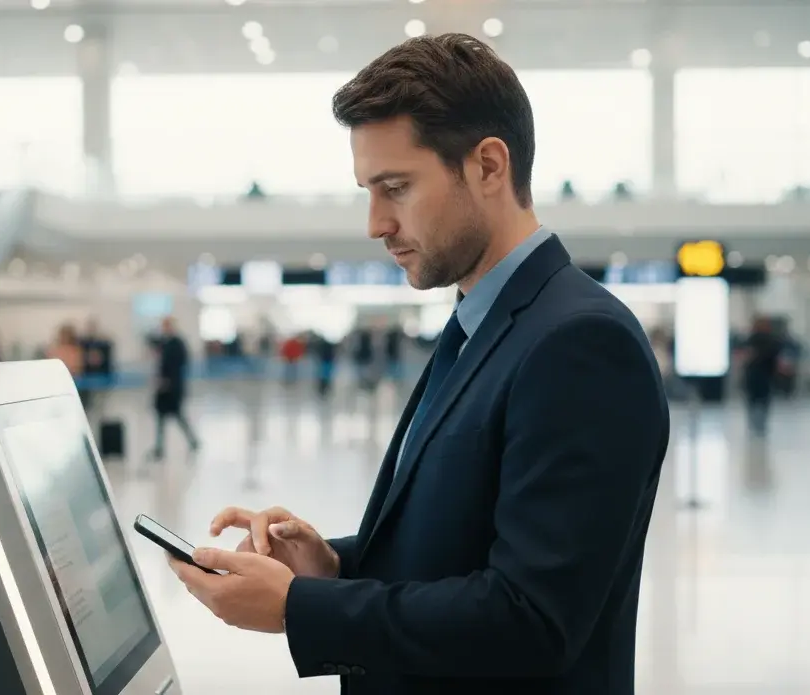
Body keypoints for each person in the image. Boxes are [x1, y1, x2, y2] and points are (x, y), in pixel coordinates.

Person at [166, 33, 670, 695]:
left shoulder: (579, 343)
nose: (376, 223)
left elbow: (532, 619)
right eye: (367, 191)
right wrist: (332, 565)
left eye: (395, 187)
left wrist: (299, 609)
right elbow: (459, 551)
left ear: (489, 166)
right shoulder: (480, 321)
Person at [149, 316, 200, 461]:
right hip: (163, 387)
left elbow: (179, 365)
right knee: (160, 417)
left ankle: (193, 441)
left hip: (173, 387)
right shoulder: (165, 343)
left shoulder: (177, 343)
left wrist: (169, 381)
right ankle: (159, 447)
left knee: (178, 416)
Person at [738, 316, 786, 436]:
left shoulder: (750, 340)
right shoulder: (772, 340)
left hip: (754, 374)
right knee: (763, 400)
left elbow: (744, 356)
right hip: (765, 375)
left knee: (753, 401)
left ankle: (754, 425)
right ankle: (760, 425)